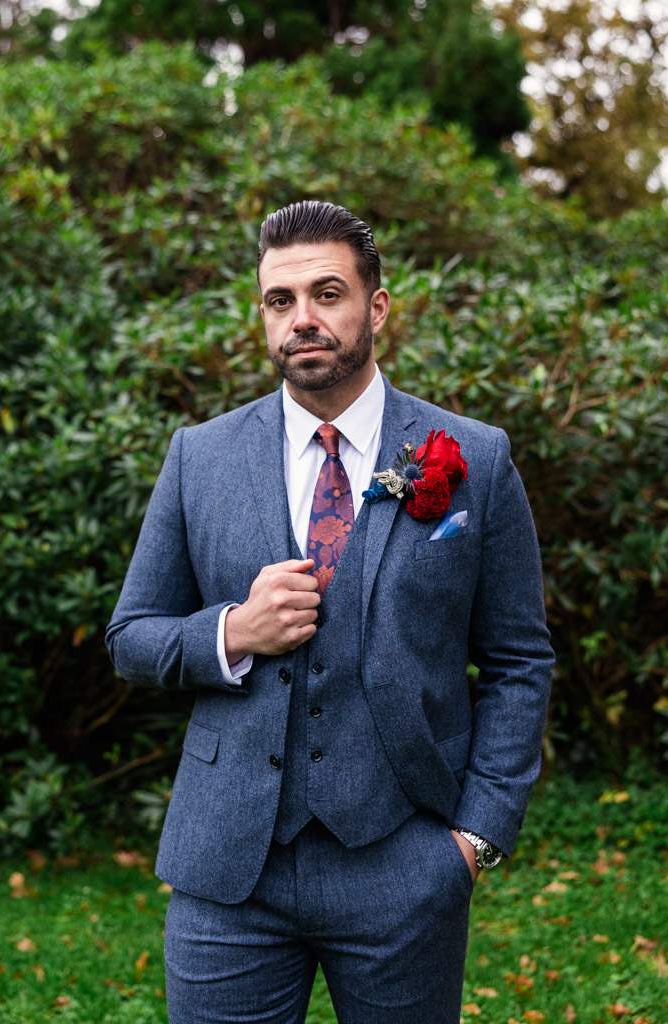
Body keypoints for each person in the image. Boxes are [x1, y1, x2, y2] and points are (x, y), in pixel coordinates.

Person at [106, 200, 554, 1024]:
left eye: (326, 294)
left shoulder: (475, 458)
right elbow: (131, 637)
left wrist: (475, 837)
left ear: (375, 307)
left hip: (405, 862)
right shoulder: (199, 457)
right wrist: (231, 631)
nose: (301, 319)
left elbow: (518, 658)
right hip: (226, 870)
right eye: (280, 300)